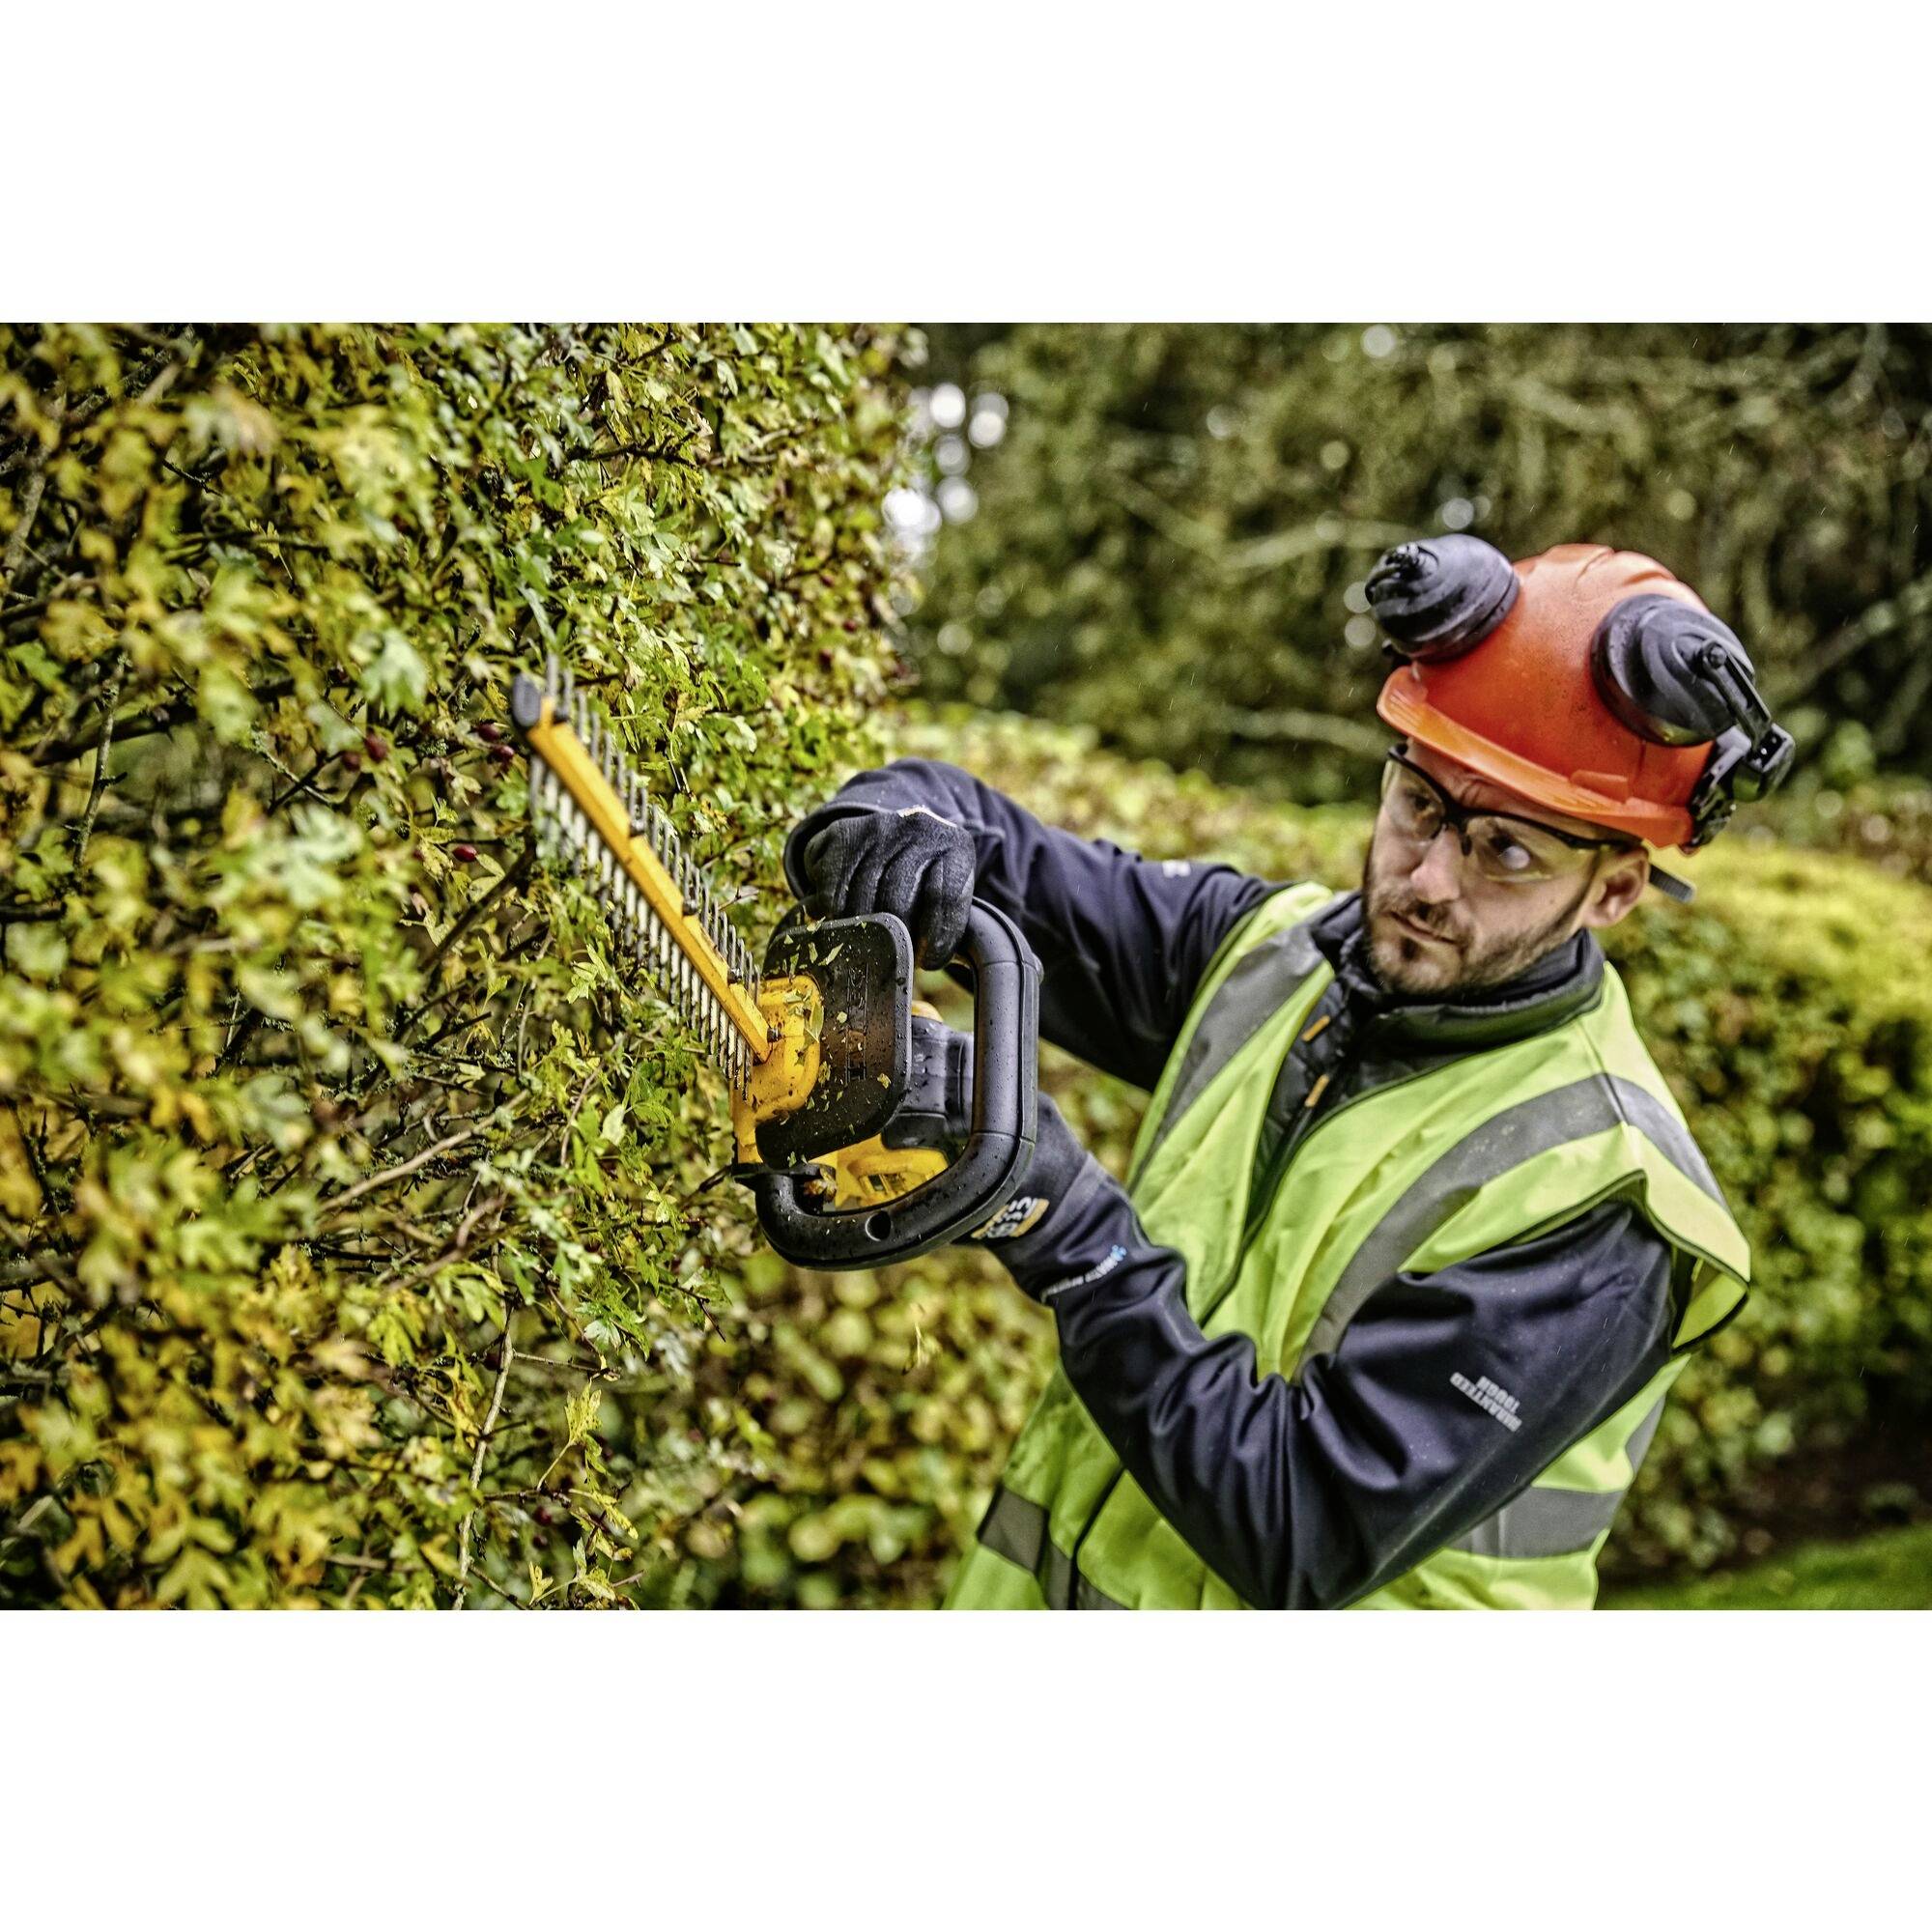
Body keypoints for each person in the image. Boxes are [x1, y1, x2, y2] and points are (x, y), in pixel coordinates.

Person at [783, 539, 1791, 1610]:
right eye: (1419, 805)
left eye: (1504, 851)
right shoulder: (1264, 954)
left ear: (1614, 889)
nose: (1428, 877)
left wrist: (1059, 1214)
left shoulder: (1605, 1197)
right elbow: (996, 848)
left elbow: (1299, 1528)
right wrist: (892, 823)